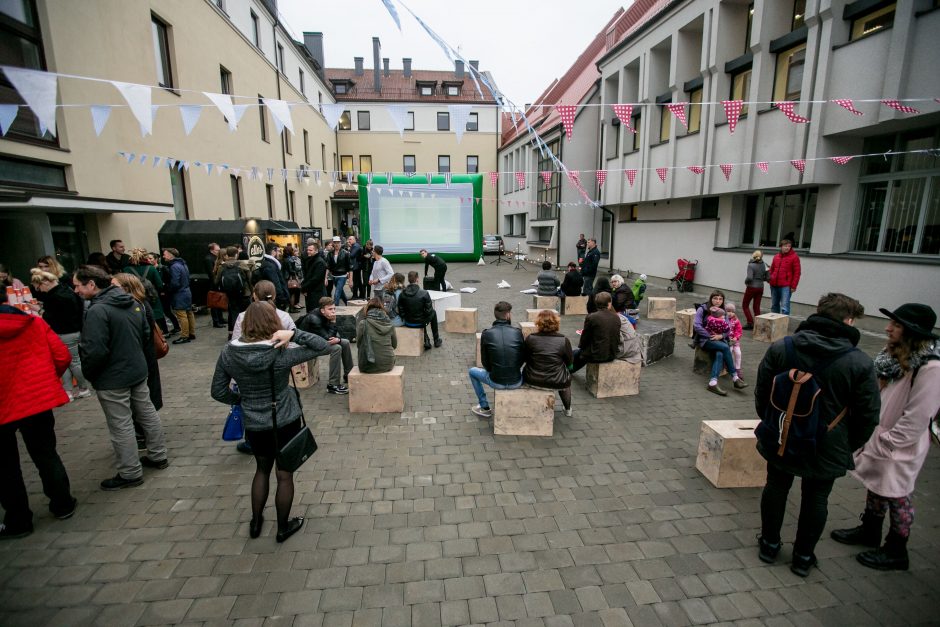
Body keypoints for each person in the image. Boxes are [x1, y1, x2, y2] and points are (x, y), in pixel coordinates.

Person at [754, 293, 880, 577]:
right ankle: (802, 557)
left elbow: (762, 393)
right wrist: (847, 442)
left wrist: (775, 423)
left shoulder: (783, 347)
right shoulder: (859, 362)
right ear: (848, 321)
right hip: (827, 443)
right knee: (816, 499)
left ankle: (769, 545)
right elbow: (868, 415)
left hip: (781, 434)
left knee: (775, 487)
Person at [831, 303, 940, 572]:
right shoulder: (896, 356)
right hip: (881, 435)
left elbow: (918, 417)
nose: (888, 328)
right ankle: (869, 531)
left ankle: (896, 549)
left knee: (898, 494)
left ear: (912, 333)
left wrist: (887, 440)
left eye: (897, 325)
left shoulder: (930, 368)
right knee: (877, 485)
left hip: (900, 445)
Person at [211, 302, 329, 543]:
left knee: (261, 470)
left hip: (254, 423)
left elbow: (217, 391)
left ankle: (256, 523)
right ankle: (283, 527)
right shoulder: (280, 353)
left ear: (246, 324)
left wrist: (242, 400)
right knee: (284, 475)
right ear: (273, 323)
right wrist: (294, 333)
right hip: (285, 419)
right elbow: (323, 346)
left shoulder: (229, 352)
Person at [73, 265, 168, 490]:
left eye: (77, 285)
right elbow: (145, 334)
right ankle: (158, 455)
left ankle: (130, 472)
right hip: (137, 369)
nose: (75, 290)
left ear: (91, 284)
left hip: (113, 376)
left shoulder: (98, 311)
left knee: (121, 423)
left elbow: (94, 350)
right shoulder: (133, 303)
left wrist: (90, 373)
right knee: (147, 413)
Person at [0, 291, 77, 538]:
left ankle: (19, 520)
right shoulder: (33, 322)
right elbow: (62, 355)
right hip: (35, 400)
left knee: (5, 466)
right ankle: (62, 503)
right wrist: (45, 380)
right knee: (45, 453)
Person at [30, 268, 90, 401]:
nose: (40, 291)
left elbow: (54, 316)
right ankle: (71, 390)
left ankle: (80, 389)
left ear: (44, 283)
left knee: (71, 361)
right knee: (71, 361)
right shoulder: (66, 290)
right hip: (73, 330)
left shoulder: (56, 296)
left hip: (64, 332)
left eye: (38, 287)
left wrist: (40, 310)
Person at [111, 273, 163, 415]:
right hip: (142, 356)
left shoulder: (138, 305)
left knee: (145, 398)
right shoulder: (136, 304)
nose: (110, 289)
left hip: (142, 356)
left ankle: (144, 428)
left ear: (127, 288)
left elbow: (144, 333)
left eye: (114, 286)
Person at [469, 301, 525, 418]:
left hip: (496, 381)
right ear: (508, 315)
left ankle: (484, 407)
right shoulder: (518, 332)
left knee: (472, 371)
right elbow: (522, 359)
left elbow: (485, 363)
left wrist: (493, 370)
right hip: (516, 381)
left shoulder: (487, 333)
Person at [692, 290, 746, 396]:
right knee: (725, 348)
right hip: (705, 340)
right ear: (711, 299)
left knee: (720, 353)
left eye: (720, 299)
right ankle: (735, 378)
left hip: (719, 340)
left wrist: (721, 336)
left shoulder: (723, 311)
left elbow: (728, 328)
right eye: (715, 298)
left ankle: (713, 383)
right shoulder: (702, 309)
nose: (718, 301)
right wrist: (710, 336)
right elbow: (697, 326)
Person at [297, 297, 353, 395]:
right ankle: (333, 384)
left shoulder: (324, 315)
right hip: (303, 346)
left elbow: (331, 337)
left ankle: (348, 375)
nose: (333, 311)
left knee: (345, 342)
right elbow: (329, 339)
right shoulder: (315, 319)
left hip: (316, 341)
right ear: (322, 310)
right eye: (330, 309)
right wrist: (333, 322)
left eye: (334, 309)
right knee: (336, 348)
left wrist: (338, 339)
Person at [523, 310, 573, 417]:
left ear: (538, 323)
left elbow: (525, 359)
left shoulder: (531, 338)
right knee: (566, 379)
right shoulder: (564, 340)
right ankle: (567, 409)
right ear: (556, 323)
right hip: (557, 381)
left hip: (533, 379)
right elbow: (570, 364)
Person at [572, 292, 621, 373]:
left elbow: (585, 338)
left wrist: (582, 347)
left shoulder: (592, 317)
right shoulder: (616, 317)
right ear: (609, 304)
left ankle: (568, 370)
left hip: (597, 355)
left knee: (576, 354)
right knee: (578, 353)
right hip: (612, 354)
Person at [124, 248, 167, 334]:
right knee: (156, 314)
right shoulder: (151, 268)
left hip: (135, 297)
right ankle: (158, 334)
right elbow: (159, 284)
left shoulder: (126, 270)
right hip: (152, 296)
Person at [398, 271, 442, 350]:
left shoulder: (402, 293)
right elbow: (428, 311)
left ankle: (426, 340)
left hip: (408, 322)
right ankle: (436, 340)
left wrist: (406, 317)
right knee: (433, 313)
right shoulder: (424, 293)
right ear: (417, 279)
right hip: (420, 323)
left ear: (408, 280)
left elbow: (400, 310)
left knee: (420, 314)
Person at [216, 246, 253, 340]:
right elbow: (249, 279)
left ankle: (234, 335)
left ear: (227, 255)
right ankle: (247, 333)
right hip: (244, 293)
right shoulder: (241, 264)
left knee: (233, 313)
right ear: (236, 254)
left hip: (230, 295)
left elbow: (216, 281)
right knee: (246, 314)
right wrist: (252, 291)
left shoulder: (222, 267)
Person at [356, 298, 397, 374]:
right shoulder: (389, 323)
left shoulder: (363, 323)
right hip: (388, 364)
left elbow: (358, 344)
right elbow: (394, 345)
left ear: (367, 309)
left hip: (368, 366)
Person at [163, 248, 195, 344]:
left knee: (182, 315)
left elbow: (175, 283)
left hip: (179, 293)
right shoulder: (182, 264)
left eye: (165, 254)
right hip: (186, 291)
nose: (163, 256)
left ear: (170, 255)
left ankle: (185, 336)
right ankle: (191, 333)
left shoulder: (174, 266)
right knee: (189, 312)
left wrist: (168, 289)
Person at [768, 239, 801, 315]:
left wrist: (793, 286)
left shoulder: (794, 257)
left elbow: (797, 273)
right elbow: (771, 269)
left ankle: (783, 325)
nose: (787, 248)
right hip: (774, 285)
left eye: (789, 246)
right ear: (781, 246)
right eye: (785, 246)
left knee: (785, 307)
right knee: (774, 306)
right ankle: (775, 324)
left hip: (786, 286)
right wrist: (770, 278)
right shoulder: (776, 257)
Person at [259, 243, 290, 310]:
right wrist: (282, 299)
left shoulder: (270, 264)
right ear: (273, 251)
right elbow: (276, 284)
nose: (280, 253)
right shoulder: (270, 266)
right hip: (276, 300)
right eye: (278, 251)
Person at [743, 250, 768, 329]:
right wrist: (760, 279)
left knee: (745, 305)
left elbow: (749, 277)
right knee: (756, 306)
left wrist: (746, 282)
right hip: (760, 287)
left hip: (751, 287)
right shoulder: (765, 265)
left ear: (753, 255)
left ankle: (750, 322)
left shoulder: (751, 265)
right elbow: (768, 278)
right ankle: (758, 325)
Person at [301, 242, 327, 312]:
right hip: (311, 292)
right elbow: (307, 276)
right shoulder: (310, 260)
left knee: (315, 313)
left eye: (310, 250)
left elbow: (315, 279)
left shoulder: (319, 262)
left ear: (316, 251)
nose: (308, 252)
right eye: (307, 250)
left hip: (317, 293)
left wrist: (304, 287)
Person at [204, 243, 226, 328]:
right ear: (211, 250)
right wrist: (216, 283)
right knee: (214, 303)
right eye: (217, 250)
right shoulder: (208, 259)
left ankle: (220, 318)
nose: (219, 251)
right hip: (214, 284)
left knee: (219, 301)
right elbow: (211, 273)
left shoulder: (215, 258)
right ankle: (216, 321)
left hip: (217, 282)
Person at [327, 236, 351, 306]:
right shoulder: (330, 253)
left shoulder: (346, 253)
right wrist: (325, 278)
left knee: (337, 293)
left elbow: (350, 267)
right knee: (341, 292)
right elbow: (328, 266)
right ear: (333, 243)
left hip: (342, 276)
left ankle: (335, 309)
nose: (336, 244)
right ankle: (348, 304)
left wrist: (350, 280)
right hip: (334, 276)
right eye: (335, 242)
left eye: (338, 242)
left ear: (340, 243)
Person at [725, 303, 745, 380]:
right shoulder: (723, 319)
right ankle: (729, 366)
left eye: (732, 312)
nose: (730, 313)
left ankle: (738, 368)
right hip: (727, 341)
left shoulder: (736, 320)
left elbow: (739, 330)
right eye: (728, 311)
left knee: (738, 353)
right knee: (729, 352)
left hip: (735, 341)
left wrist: (736, 337)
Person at [282, 245, 304, 312]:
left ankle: (291, 307)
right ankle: (292, 308)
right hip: (290, 279)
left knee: (290, 293)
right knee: (292, 294)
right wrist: (298, 269)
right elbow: (291, 270)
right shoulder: (290, 260)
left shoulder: (284, 259)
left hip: (285, 278)